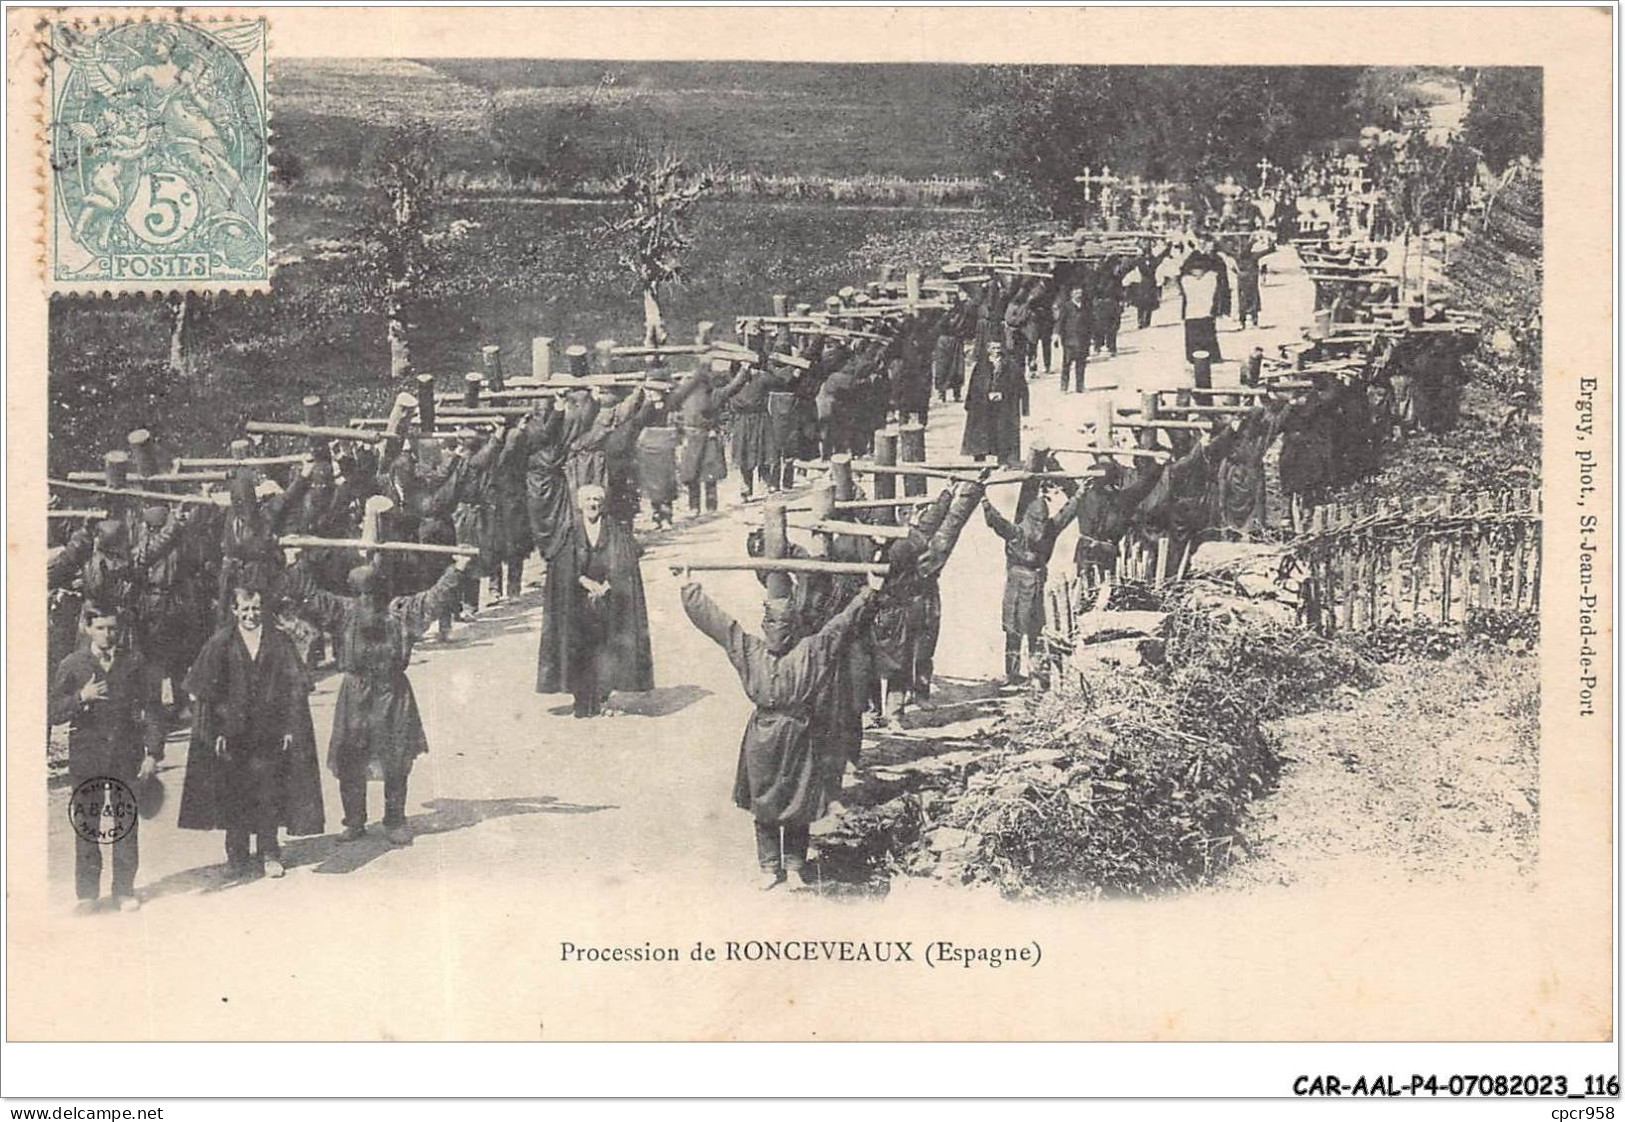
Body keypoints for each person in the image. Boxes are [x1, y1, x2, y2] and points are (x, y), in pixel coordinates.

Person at [679, 566, 883, 890]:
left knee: (797, 801)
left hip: (795, 735)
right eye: (771, 624)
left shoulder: (800, 652)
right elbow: (717, 623)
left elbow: (840, 628)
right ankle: (771, 866)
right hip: (765, 736)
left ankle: (794, 865)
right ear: (763, 625)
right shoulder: (760, 651)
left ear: (794, 627)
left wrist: (869, 593)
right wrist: (689, 588)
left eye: (783, 625)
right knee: (766, 803)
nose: (776, 631)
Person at [277, 550, 473, 846]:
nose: (367, 600)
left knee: (396, 757)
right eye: (361, 594)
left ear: (382, 592)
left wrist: (457, 568)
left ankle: (395, 820)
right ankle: (355, 821)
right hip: (355, 694)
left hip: (392, 692)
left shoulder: (400, 612)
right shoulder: (343, 612)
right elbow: (311, 595)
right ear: (353, 593)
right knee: (350, 757)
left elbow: (435, 598)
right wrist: (293, 562)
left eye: (372, 593)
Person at [177, 584, 325, 881]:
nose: (250, 615)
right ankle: (237, 855)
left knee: (267, 791)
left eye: (256, 609)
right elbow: (207, 691)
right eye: (244, 609)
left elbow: (293, 688)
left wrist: (289, 728)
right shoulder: (221, 643)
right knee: (236, 794)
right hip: (234, 735)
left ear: (263, 610)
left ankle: (269, 852)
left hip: (268, 732)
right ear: (234, 611)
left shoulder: (278, 642)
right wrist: (217, 730)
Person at [49, 602, 166, 913]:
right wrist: (80, 698)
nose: (107, 634)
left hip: (126, 755)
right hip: (86, 756)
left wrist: (153, 752)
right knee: (88, 823)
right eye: (100, 627)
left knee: (124, 823)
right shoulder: (73, 665)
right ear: (88, 628)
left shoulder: (135, 663)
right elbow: (52, 711)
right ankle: (87, 895)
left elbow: (153, 710)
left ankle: (124, 889)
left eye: (113, 628)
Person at [536, 484, 655, 718]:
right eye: (588, 500)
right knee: (579, 648)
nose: (593, 505)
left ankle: (604, 697)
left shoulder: (614, 529)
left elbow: (626, 560)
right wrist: (584, 581)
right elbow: (560, 566)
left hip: (609, 597)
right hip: (577, 599)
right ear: (580, 504)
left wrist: (607, 585)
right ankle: (581, 700)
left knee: (606, 647)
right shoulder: (570, 529)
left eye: (597, 500)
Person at [981, 484, 1073, 688]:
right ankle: (1025, 673)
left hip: (1026, 582)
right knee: (1024, 629)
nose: (1040, 526)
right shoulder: (1045, 529)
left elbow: (997, 522)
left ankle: (1028, 673)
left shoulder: (1023, 531)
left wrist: (984, 501)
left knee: (1025, 630)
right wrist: (1081, 493)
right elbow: (1067, 512)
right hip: (1026, 582)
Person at [1178, 243, 1232, 363]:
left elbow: (1181, 270)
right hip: (1204, 313)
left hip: (1193, 314)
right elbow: (1218, 269)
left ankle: (1193, 358)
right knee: (1208, 337)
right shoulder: (1210, 278)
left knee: (1194, 339)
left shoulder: (1187, 280)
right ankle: (1212, 357)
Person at [1056, 285, 1092, 393]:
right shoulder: (1066, 306)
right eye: (1076, 293)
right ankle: (1064, 387)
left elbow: (1090, 321)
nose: (1079, 295)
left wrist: (1092, 336)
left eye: (1080, 293)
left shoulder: (1086, 306)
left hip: (1083, 339)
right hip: (1069, 340)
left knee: (1081, 364)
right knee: (1067, 364)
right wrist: (1056, 334)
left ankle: (1080, 386)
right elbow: (1060, 322)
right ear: (1072, 294)